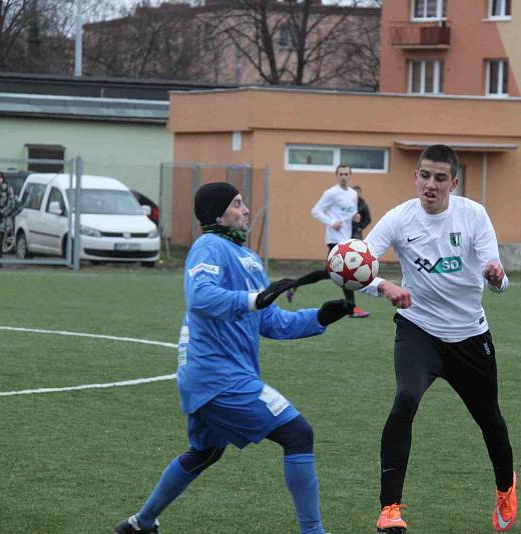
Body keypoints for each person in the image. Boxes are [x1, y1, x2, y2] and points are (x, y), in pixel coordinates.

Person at [115, 182, 354, 534]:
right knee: (298, 433)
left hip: (216, 378)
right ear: (218, 213)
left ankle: (141, 523)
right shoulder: (208, 246)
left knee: (205, 453)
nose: (245, 210)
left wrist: (320, 317)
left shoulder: (251, 260)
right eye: (237, 203)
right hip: (218, 378)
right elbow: (201, 297)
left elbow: (270, 321)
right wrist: (254, 300)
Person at [360, 145, 517, 533]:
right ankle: (390, 509)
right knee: (406, 398)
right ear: (415, 176)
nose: (430, 185)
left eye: (440, 178)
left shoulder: (473, 215)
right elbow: (355, 268)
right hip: (419, 330)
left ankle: (505, 487)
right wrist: (384, 286)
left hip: (468, 335)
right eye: (425, 176)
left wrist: (497, 277)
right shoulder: (398, 218)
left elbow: (495, 275)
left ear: (454, 183)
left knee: (489, 419)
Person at [310, 164, 370, 318]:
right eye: (341, 174)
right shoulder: (330, 193)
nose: (343, 176)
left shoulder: (352, 194)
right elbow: (315, 211)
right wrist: (332, 222)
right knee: (343, 273)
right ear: (336, 176)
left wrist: (355, 216)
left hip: (346, 239)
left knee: (333, 273)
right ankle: (352, 309)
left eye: (346, 174)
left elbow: (350, 213)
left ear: (350, 176)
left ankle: (294, 284)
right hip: (334, 239)